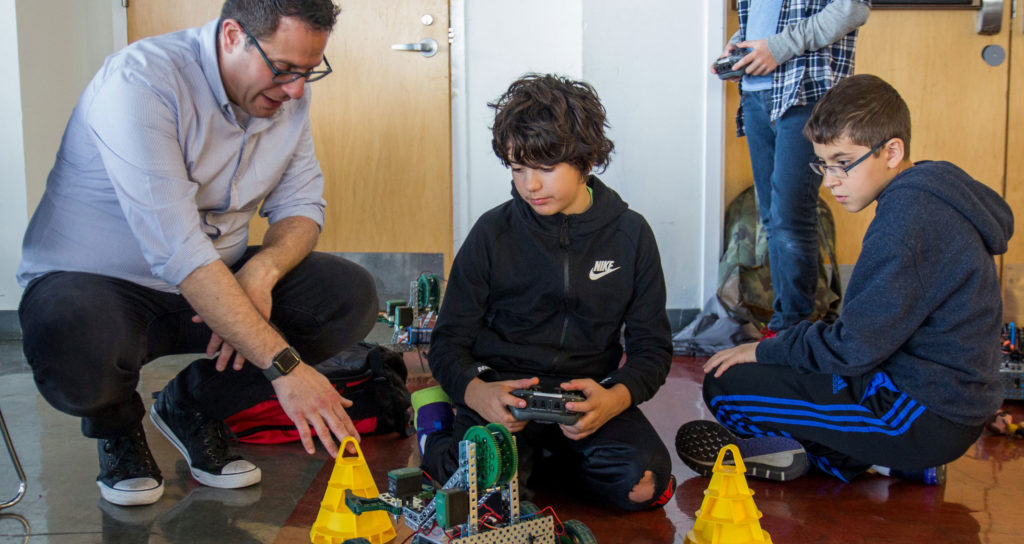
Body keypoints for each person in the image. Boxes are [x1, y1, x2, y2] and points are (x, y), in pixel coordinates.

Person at [17, 0, 379, 507]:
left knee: (348, 295)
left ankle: (191, 405)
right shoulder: (140, 84)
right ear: (232, 36)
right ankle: (117, 426)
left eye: (308, 72)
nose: (296, 89)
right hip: (99, 283)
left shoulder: (283, 96)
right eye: (283, 69)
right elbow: (178, 250)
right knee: (74, 336)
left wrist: (261, 271)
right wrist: (287, 370)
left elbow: (300, 208)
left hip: (211, 275)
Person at [676, 74, 1014, 485]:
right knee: (789, 369)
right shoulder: (929, 191)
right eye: (823, 164)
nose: (830, 179)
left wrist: (766, 352)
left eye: (843, 163)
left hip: (922, 414)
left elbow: (852, 349)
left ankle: (843, 457)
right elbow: (863, 340)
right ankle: (860, 454)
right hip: (936, 401)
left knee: (725, 384)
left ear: (892, 151)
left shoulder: (907, 222)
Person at [416, 74, 675, 511]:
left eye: (545, 168)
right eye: (518, 169)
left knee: (643, 486)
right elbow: (448, 343)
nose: (530, 185)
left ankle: (540, 462)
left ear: (587, 160)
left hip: (583, 399)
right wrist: (478, 393)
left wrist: (614, 399)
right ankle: (435, 431)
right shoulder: (491, 233)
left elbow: (653, 350)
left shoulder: (631, 235)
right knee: (484, 501)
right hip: (501, 396)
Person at [717, 0, 870, 336]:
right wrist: (740, 43)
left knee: (789, 215)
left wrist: (778, 47)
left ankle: (793, 327)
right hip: (756, 92)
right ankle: (788, 322)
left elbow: (852, 9)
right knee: (773, 216)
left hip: (806, 91)